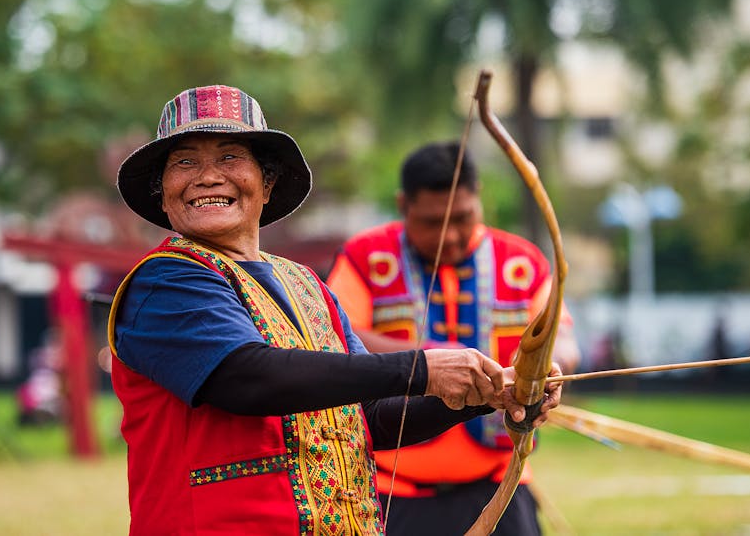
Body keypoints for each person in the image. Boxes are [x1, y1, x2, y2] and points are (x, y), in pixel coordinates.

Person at [107, 85, 563, 536]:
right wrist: (422, 368)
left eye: (229, 157)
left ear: (266, 184)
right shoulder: (165, 280)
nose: (207, 176)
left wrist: (486, 393)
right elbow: (246, 377)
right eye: (185, 162)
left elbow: (372, 416)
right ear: (162, 192)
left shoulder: (306, 284)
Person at [326, 141, 580, 536]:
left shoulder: (521, 261)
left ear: (478, 198)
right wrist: (434, 361)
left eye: (463, 217)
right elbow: (338, 337)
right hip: (393, 491)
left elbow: (560, 337)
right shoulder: (366, 257)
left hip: (500, 483)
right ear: (403, 205)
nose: (451, 236)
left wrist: (546, 369)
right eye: (432, 222)